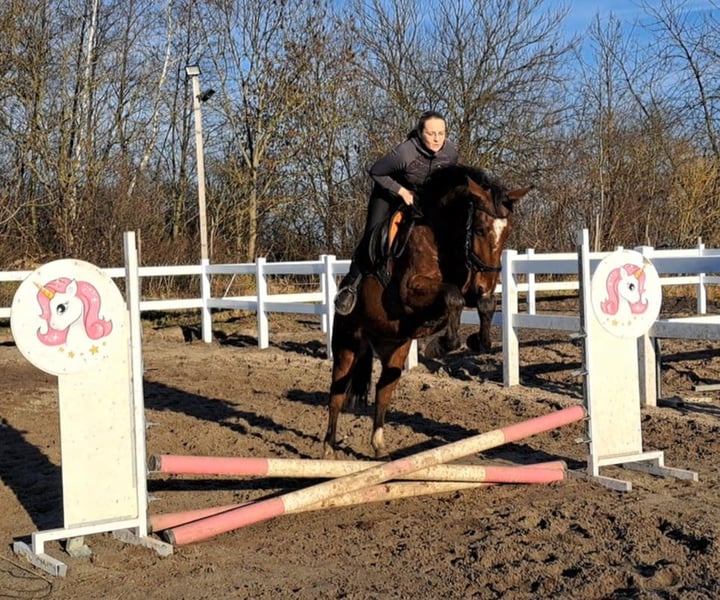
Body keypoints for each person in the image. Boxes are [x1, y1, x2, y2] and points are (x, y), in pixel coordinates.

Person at [334, 110, 460, 315]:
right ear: (420, 133)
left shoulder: (451, 153)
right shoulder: (405, 152)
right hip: (388, 193)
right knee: (372, 235)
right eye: (431, 134)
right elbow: (375, 171)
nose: (437, 139)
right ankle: (351, 285)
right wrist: (401, 191)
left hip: (420, 198)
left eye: (441, 133)